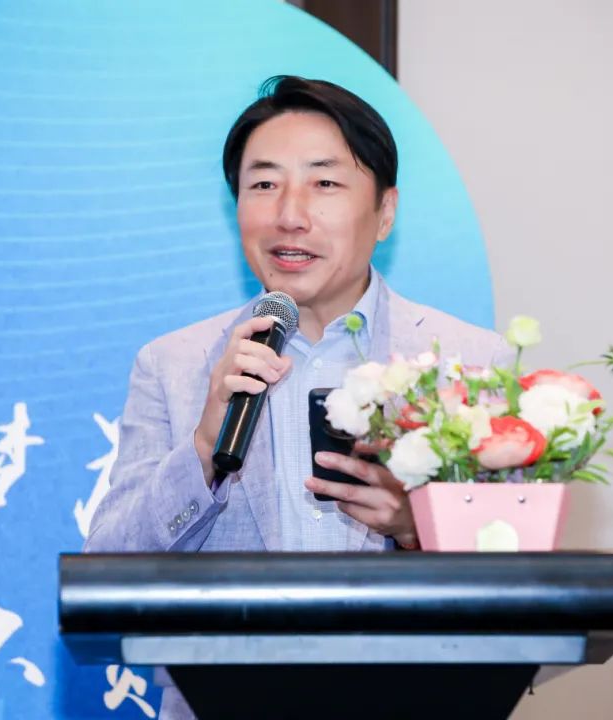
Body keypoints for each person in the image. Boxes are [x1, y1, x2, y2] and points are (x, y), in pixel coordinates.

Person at [83, 76, 509, 717]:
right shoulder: (173, 366)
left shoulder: (470, 362)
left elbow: (519, 576)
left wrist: (416, 527)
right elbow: (107, 573)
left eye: (324, 182)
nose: (290, 214)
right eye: (263, 184)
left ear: (385, 212)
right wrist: (202, 448)